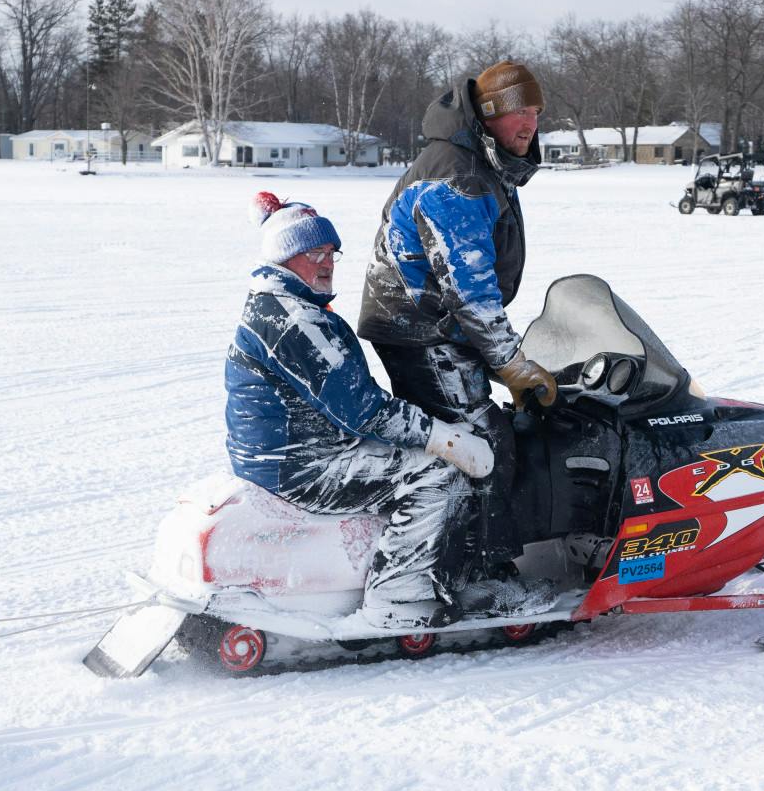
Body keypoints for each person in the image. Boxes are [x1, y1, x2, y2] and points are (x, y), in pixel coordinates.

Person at [227, 192, 494, 628]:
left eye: (331, 252)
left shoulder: (279, 303)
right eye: (313, 252)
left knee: (413, 457)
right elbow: (363, 410)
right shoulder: (294, 319)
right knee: (436, 472)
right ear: (283, 257)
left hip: (285, 452)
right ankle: (398, 596)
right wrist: (446, 439)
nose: (327, 262)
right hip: (301, 464)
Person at [357, 60, 558, 613]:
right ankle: (473, 578)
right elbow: (470, 290)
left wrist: (501, 359)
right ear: (490, 113)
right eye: (520, 111)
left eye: (537, 112)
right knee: (481, 442)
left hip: (432, 325)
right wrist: (511, 363)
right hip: (418, 329)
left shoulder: (481, 161)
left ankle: (462, 556)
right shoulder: (459, 175)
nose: (530, 123)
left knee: (486, 429)